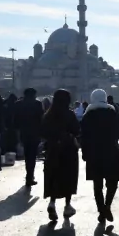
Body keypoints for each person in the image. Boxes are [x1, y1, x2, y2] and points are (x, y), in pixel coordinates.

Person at [81, 89, 119, 224]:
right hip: (111, 152)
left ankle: (101, 210)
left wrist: (84, 153)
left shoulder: (88, 114)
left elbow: (84, 136)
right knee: (112, 182)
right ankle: (107, 206)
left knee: (97, 184)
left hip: (94, 154)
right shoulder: (111, 112)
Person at [41, 89, 80, 221]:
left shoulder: (48, 114)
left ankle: (52, 202)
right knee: (68, 177)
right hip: (68, 150)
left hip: (52, 150)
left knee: (53, 175)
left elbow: (43, 133)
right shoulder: (70, 114)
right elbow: (76, 130)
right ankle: (67, 205)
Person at [14, 87, 44, 186]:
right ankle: (30, 176)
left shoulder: (18, 104)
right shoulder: (37, 104)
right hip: (35, 133)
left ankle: (29, 175)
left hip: (23, 133)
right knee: (32, 156)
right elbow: (41, 120)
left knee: (27, 155)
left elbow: (15, 120)